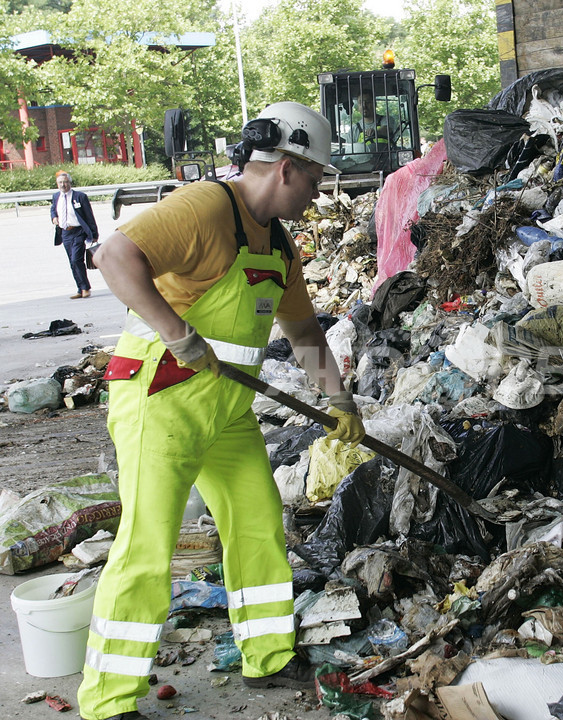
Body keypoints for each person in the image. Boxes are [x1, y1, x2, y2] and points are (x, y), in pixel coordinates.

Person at [77, 102, 365, 720]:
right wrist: (177, 332)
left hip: (226, 410)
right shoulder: (206, 208)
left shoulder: (279, 246)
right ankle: (108, 699)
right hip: (162, 397)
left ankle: (266, 655)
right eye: (314, 181)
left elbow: (305, 331)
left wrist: (338, 400)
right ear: (285, 168)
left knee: (258, 524)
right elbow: (113, 256)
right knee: (147, 545)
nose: (316, 196)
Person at [51, 171, 98, 299]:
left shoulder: (79, 196)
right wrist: (54, 217)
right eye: (60, 182)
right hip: (65, 233)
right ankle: (80, 288)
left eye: (65, 182)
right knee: (72, 262)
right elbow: (53, 209)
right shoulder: (56, 197)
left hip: (78, 231)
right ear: (57, 184)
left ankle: (85, 287)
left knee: (76, 259)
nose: (63, 185)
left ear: (69, 183)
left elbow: (89, 216)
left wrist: (94, 234)